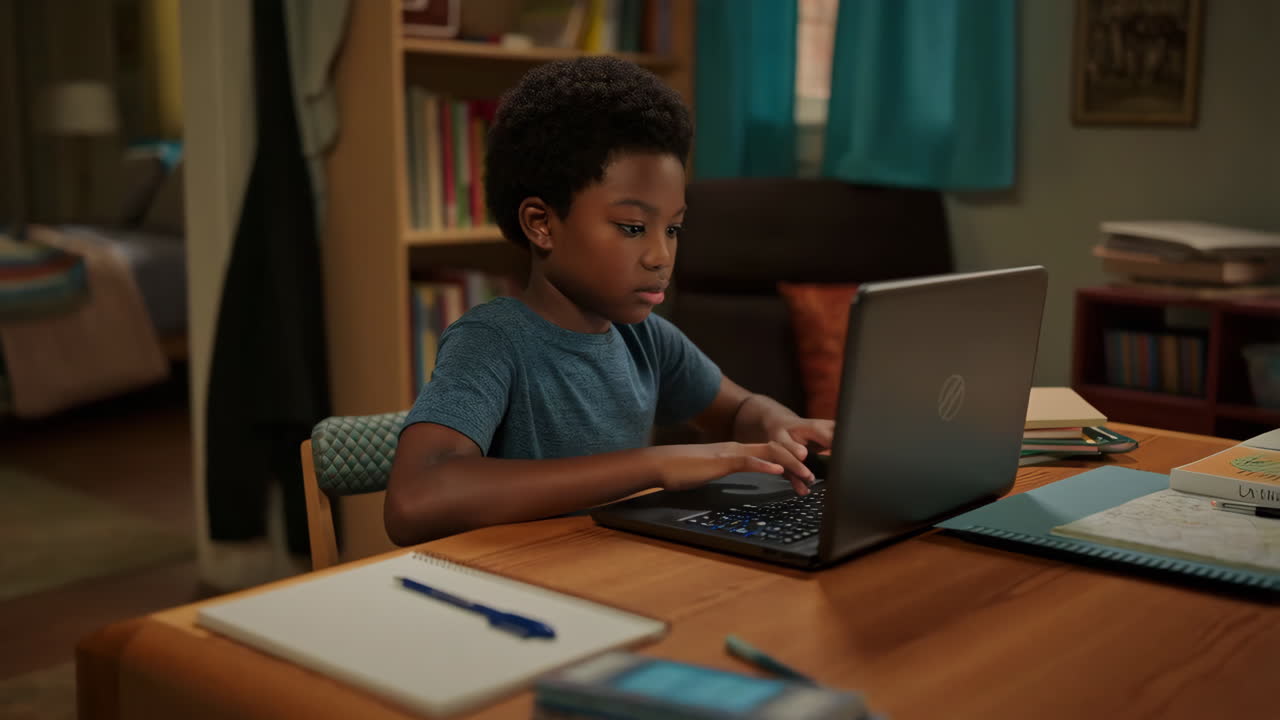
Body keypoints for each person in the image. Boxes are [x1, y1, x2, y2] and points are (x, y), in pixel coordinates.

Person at [385, 57, 833, 546]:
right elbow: (416, 498)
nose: (661, 255)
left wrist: (778, 423)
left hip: (613, 568)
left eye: (673, 229)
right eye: (633, 228)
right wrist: (652, 464)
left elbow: (737, 409)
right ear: (541, 223)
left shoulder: (645, 338)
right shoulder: (493, 341)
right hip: (521, 576)